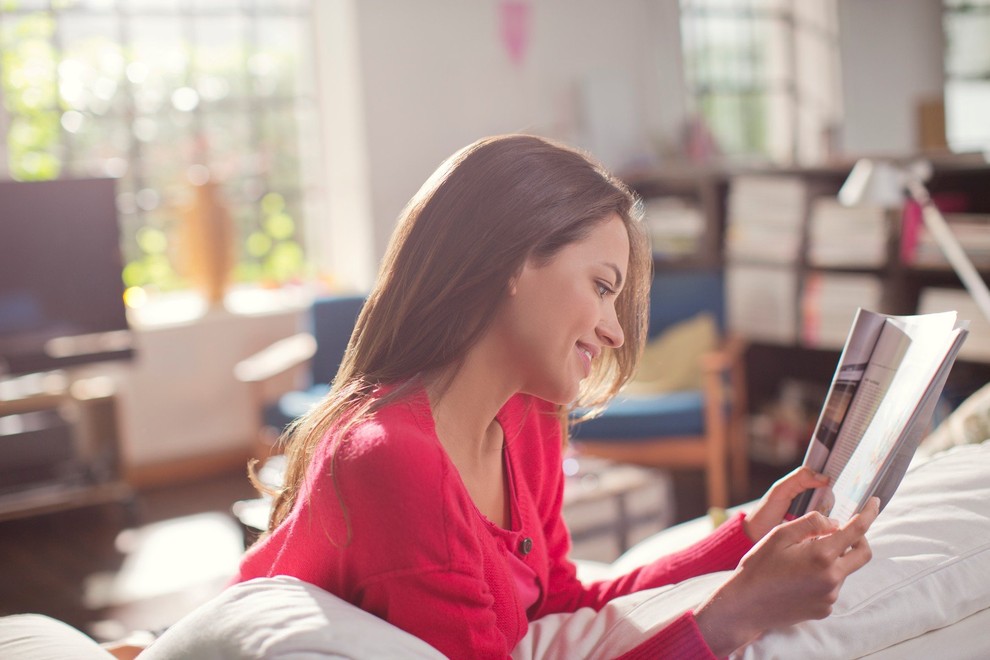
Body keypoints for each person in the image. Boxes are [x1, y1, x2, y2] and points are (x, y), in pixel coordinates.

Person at [234, 134, 878, 658]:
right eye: (602, 286)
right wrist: (736, 613)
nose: (615, 329)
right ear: (512, 260)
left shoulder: (528, 414)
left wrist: (745, 538)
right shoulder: (391, 456)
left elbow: (562, 602)